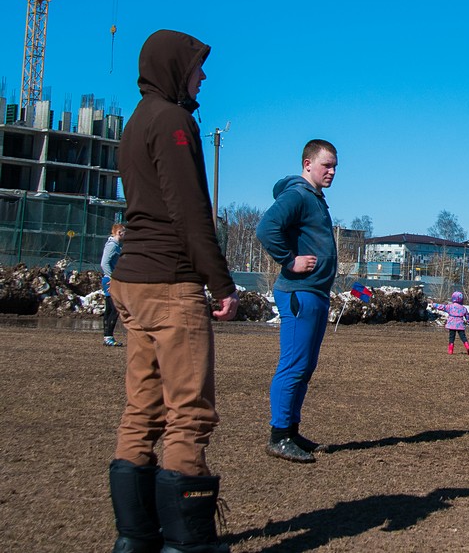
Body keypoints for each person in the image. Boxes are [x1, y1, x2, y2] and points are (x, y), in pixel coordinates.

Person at [108, 29, 239, 553]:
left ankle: (134, 538)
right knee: (189, 413)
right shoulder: (173, 120)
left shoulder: (137, 121)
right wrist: (221, 282)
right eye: (197, 67)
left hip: (131, 282)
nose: (202, 76)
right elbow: (189, 210)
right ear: (174, 69)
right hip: (169, 282)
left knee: (141, 411)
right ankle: (188, 544)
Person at [257, 139, 339, 465]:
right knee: (293, 365)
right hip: (299, 293)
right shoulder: (298, 195)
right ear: (307, 164)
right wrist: (289, 260)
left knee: (305, 367)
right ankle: (278, 436)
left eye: (335, 166)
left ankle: (291, 431)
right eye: (326, 165)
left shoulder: (316, 198)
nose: (332, 171)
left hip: (315, 293)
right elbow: (266, 228)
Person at [100, 223, 126, 347]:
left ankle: (107, 337)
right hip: (110, 280)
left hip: (109, 279)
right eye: (124, 232)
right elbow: (104, 263)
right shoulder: (112, 246)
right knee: (115, 309)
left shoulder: (114, 245)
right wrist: (112, 277)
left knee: (110, 309)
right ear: (119, 233)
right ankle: (109, 337)